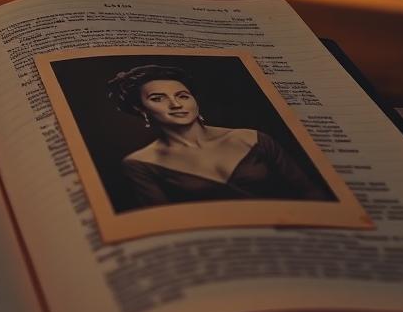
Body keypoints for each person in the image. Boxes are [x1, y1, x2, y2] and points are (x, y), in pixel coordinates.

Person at [106, 64, 332, 207]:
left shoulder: (252, 138)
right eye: (158, 98)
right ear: (141, 109)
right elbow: (165, 222)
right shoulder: (140, 164)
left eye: (183, 95)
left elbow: (311, 193)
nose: (175, 104)